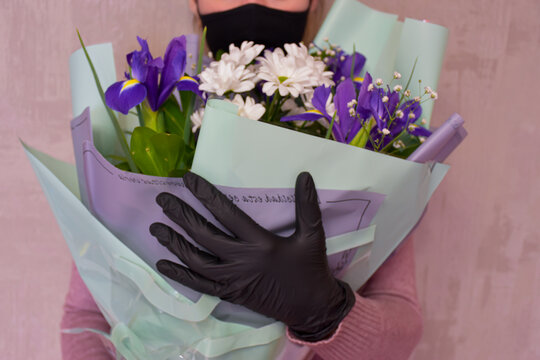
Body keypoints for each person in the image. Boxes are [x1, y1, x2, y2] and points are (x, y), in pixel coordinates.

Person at [61, 1, 424, 359]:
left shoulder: (356, 122)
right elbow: (84, 316)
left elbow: (401, 326)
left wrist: (323, 310)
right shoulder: (168, 107)